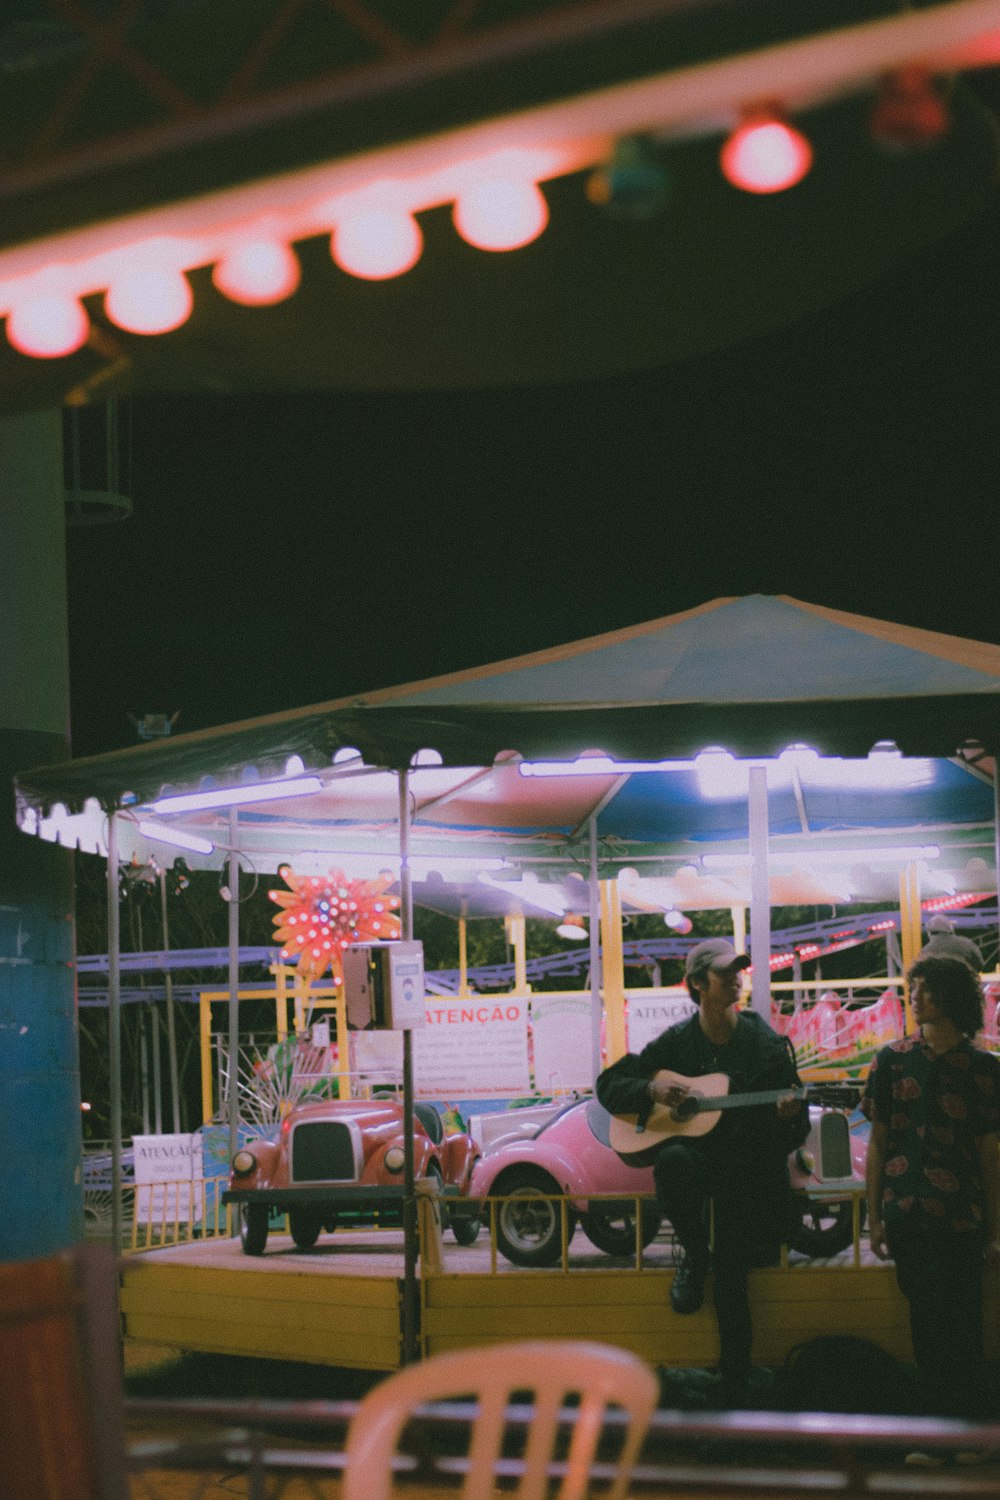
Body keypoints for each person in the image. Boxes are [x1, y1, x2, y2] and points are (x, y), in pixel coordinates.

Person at [595, 937, 808, 1406]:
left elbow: (788, 1139)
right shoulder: (678, 1043)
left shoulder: (765, 1044)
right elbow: (610, 1083)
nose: (737, 978)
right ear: (697, 984)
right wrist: (652, 1088)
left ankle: (735, 1381)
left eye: (739, 971)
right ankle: (694, 1252)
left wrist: (789, 1116)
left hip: (747, 1172)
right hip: (696, 1169)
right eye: (725, 972)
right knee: (671, 1159)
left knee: (732, 1275)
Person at [862, 954, 1000, 1462]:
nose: (914, 997)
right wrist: (874, 1217)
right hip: (909, 1210)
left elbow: (990, 1151)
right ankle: (943, 1437)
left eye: (925, 989)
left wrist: (996, 1227)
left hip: (962, 1210)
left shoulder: (985, 1070)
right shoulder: (890, 1060)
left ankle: (965, 1438)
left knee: (962, 1323)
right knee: (929, 1323)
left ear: (952, 998)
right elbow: (878, 1143)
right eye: (913, 987)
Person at [918, 912, 983, 971]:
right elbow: (980, 965)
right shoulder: (967, 944)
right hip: (965, 983)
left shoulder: (925, 952)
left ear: (929, 933)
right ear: (950, 928)